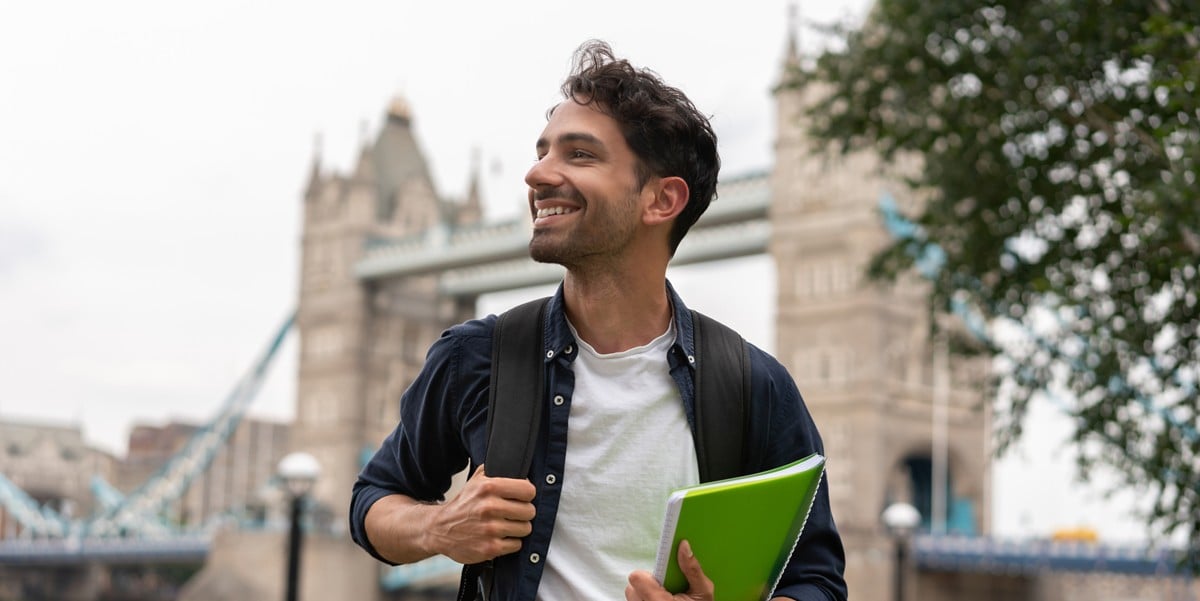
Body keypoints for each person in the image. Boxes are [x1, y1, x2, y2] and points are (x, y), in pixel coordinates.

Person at [350, 40, 847, 601]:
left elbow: (818, 581)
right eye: (543, 152)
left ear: (662, 200)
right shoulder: (478, 356)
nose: (537, 173)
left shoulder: (754, 384)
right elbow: (374, 500)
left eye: (579, 155)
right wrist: (438, 527)